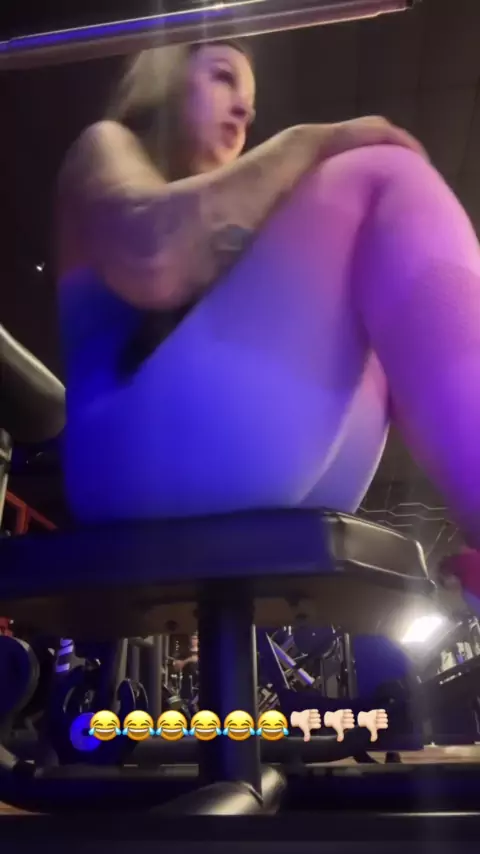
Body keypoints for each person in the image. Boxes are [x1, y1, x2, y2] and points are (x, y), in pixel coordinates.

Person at [55, 40, 480, 607]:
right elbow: (153, 258)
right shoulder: (106, 143)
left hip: (259, 459)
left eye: (251, 105)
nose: (243, 111)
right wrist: (310, 141)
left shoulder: (241, 270)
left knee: (378, 275)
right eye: (222, 78)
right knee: (380, 175)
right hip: (124, 459)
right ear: (165, 80)